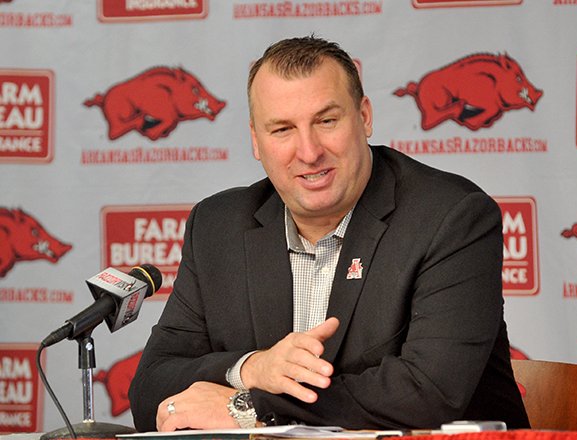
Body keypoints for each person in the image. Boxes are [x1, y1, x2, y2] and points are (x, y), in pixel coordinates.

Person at [128, 35, 530, 432]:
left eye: (326, 121)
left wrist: (251, 407)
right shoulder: (218, 226)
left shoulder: (451, 217)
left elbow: (428, 394)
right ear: (256, 140)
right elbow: (151, 390)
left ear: (365, 117)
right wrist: (252, 368)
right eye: (282, 129)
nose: (308, 151)